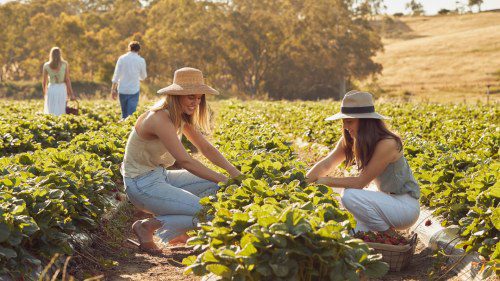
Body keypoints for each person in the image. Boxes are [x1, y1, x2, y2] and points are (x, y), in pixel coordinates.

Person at [122, 67, 241, 253]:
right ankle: (149, 226)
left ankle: (178, 227)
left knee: (220, 189)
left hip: (160, 176)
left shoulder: (179, 117)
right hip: (141, 184)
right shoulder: (159, 118)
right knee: (208, 212)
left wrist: (235, 175)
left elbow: (206, 148)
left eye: (199, 97)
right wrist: (223, 178)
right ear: (177, 96)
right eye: (190, 97)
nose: (196, 102)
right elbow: (186, 161)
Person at [306, 90, 420, 233]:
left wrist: (324, 181)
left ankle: (389, 235)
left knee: (350, 195)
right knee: (349, 230)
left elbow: (360, 183)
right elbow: (327, 164)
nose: (346, 127)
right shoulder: (351, 140)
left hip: (404, 207)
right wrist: (302, 183)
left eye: (349, 121)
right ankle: (380, 240)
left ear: (366, 121)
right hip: (384, 201)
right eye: (344, 122)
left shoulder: (388, 144)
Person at [111, 41, 147, 119]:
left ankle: (123, 128)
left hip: (122, 90)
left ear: (129, 48)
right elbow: (143, 76)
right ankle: (129, 129)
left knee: (124, 113)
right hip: (134, 90)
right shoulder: (141, 60)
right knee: (131, 115)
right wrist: (138, 78)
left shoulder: (122, 58)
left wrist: (113, 90)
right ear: (139, 50)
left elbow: (116, 75)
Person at [42, 47, 75, 116]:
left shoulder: (46, 65)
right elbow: (67, 80)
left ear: (51, 54)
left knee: (51, 110)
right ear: (60, 54)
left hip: (51, 89)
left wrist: (45, 93)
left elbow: (44, 82)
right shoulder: (65, 64)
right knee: (61, 109)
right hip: (61, 89)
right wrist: (71, 94)